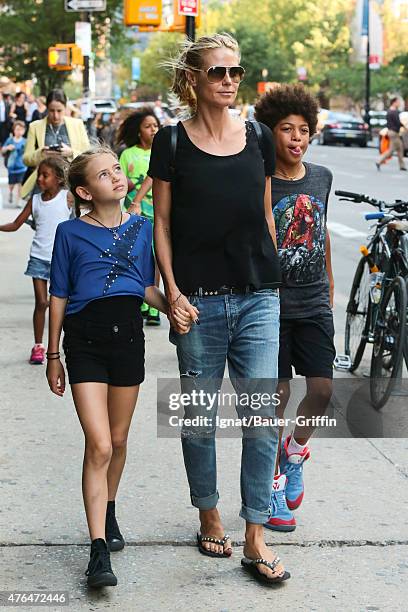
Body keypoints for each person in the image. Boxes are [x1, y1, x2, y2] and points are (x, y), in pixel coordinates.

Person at [149, 33, 290, 586]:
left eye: (235, 70)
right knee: (198, 422)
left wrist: (276, 279)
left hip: (258, 296)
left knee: (261, 421)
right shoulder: (171, 142)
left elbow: (264, 213)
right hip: (197, 305)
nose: (229, 80)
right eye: (217, 72)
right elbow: (161, 224)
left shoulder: (257, 135)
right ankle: (207, 510)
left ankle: (255, 534)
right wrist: (173, 294)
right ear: (194, 79)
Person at [46, 145, 193, 588]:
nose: (116, 177)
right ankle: (96, 552)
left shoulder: (144, 229)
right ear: (85, 192)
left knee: (120, 438)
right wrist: (53, 354)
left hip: (128, 338)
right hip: (84, 340)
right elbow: (59, 294)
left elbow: (145, 286)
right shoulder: (69, 234)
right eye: (103, 175)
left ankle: (108, 509)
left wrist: (171, 307)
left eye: (116, 170)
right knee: (100, 444)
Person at [255, 84, 335, 532]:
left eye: (303, 130)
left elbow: (320, 235)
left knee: (322, 391)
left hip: (313, 303)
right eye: (286, 129)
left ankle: (294, 449)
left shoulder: (321, 177)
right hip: (272, 305)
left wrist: (329, 290)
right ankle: (271, 484)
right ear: (271, 133)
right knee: (277, 395)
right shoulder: (259, 179)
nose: (296, 138)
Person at [0, 156, 72, 364]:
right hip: (39, 258)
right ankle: (38, 346)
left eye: (45, 175)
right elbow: (15, 224)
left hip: (62, 259)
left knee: (65, 304)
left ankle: (64, 344)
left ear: (59, 179)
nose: (39, 179)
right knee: (42, 303)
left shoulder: (67, 198)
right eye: (38, 174)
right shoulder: (35, 201)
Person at [117, 110, 161, 325]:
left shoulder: (161, 152)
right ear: (138, 131)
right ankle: (142, 299)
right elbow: (120, 182)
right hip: (134, 214)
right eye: (148, 126)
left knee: (157, 256)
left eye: (156, 125)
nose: (153, 130)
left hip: (158, 213)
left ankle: (154, 308)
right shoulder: (127, 154)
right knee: (138, 256)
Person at [21, 89, 90, 199]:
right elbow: (26, 159)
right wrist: (41, 153)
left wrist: (71, 153)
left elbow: (88, 156)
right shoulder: (35, 126)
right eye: (51, 111)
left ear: (65, 108)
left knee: (69, 216)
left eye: (59, 111)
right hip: (43, 185)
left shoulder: (77, 124)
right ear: (47, 108)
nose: (55, 115)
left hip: (70, 185)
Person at [376, 97, 407, 171]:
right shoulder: (394, 112)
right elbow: (398, 123)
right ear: (394, 102)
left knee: (400, 148)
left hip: (391, 132)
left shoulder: (389, 111)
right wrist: (405, 127)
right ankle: (379, 161)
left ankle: (402, 165)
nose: (399, 103)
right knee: (391, 150)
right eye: (398, 102)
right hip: (394, 133)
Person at [1, 120, 27, 206]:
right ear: (14, 130)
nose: (19, 131)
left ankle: (18, 200)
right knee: (11, 184)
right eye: (17, 129)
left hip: (22, 167)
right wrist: (8, 148)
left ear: (24, 131)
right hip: (11, 167)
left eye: (21, 129)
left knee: (20, 184)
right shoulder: (10, 140)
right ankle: (11, 193)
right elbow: (3, 150)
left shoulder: (25, 141)